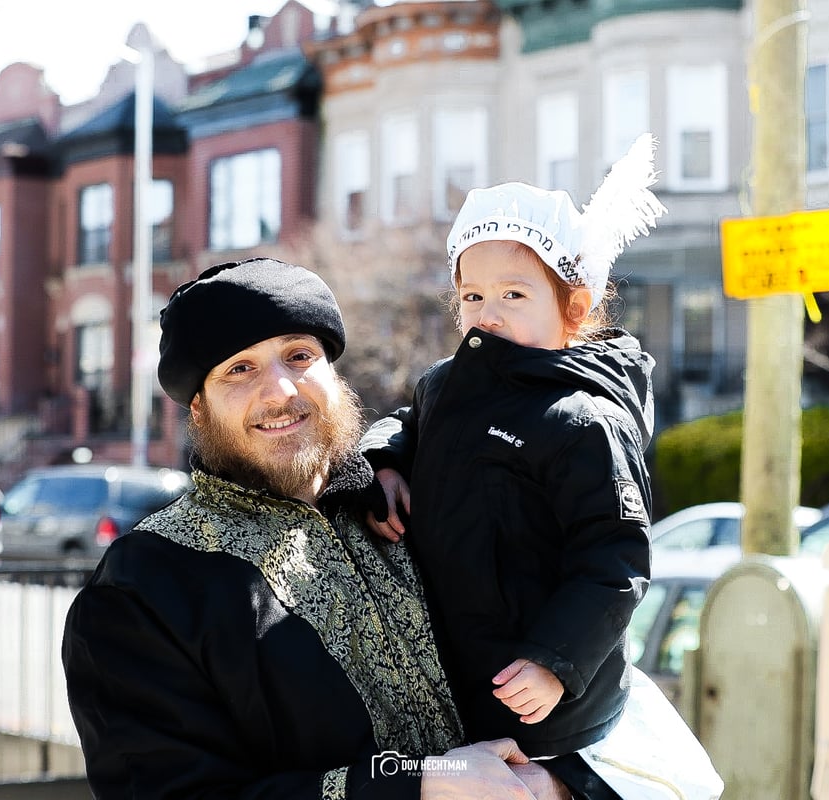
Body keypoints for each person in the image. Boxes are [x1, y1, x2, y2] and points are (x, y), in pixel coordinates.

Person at [61, 258, 592, 800]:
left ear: (334, 374)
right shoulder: (145, 586)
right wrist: (423, 783)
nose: (281, 392)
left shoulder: (426, 503)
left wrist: (558, 782)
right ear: (198, 408)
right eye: (238, 370)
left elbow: (591, 646)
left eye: (299, 356)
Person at [360, 134, 667, 762]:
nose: (488, 312)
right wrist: (385, 461)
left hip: (549, 710)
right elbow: (406, 422)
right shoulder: (447, 385)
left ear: (574, 307)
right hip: (454, 689)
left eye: (514, 294)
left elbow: (613, 559)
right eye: (472, 295)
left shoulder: (583, 422)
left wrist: (557, 661)